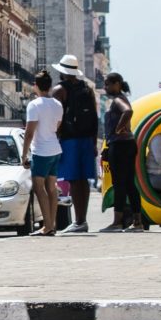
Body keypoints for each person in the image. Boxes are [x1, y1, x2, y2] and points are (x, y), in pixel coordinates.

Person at [51, 54, 99, 234]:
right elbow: (94, 117)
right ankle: (82, 220)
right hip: (87, 139)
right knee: (83, 180)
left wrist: (54, 138)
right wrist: (94, 143)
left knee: (73, 179)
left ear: (62, 72)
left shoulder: (59, 90)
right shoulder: (87, 88)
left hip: (69, 139)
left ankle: (79, 221)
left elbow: (56, 118)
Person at [21, 70, 64, 236]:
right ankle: (52, 224)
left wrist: (24, 154)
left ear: (36, 86)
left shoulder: (34, 105)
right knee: (52, 187)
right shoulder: (57, 104)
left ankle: (47, 225)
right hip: (55, 149)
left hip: (41, 151)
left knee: (39, 188)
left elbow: (29, 132)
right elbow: (57, 126)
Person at [100, 72, 140, 232]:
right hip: (127, 144)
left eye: (108, 84)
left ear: (117, 84)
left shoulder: (118, 100)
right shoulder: (120, 98)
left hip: (121, 145)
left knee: (120, 184)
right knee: (130, 184)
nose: (105, 87)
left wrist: (119, 127)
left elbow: (128, 111)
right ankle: (137, 222)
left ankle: (117, 222)